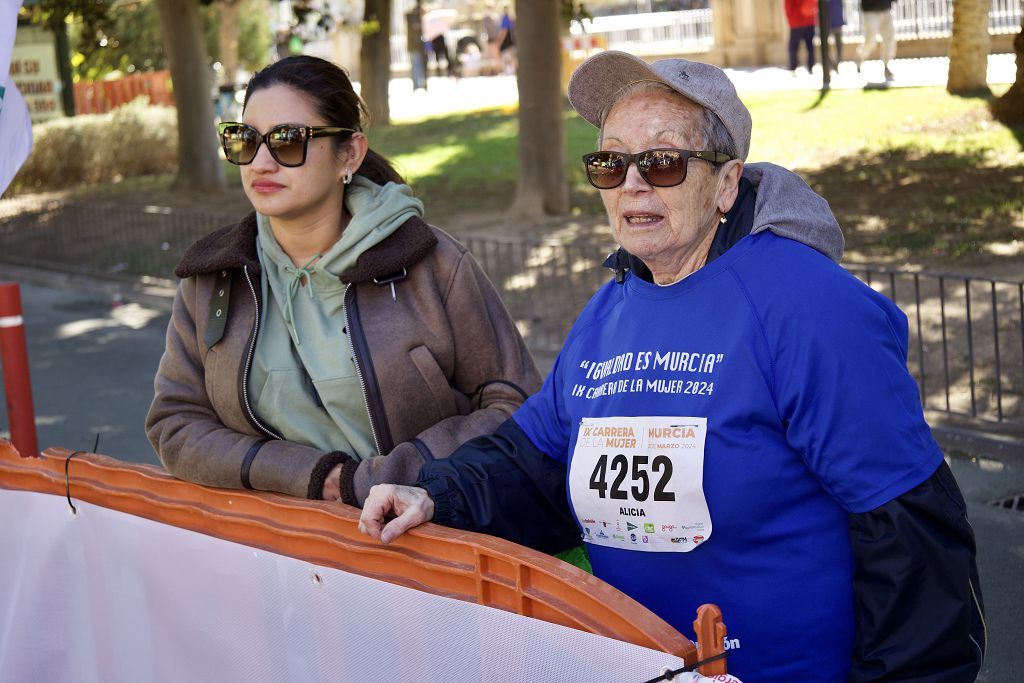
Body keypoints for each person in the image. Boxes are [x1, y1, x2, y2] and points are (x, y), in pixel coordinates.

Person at [359, 51, 986, 682]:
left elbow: (911, 535)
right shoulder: (610, 308)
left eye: (662, 162)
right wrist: (434, 494)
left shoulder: (808, 306)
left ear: (725, 182)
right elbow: (536, 464)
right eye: (611, 163)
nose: (632, 184)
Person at [146, 55, 539, 508]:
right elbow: (175, 423)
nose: (261, 162)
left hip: (426, 536)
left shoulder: (432, 263)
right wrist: (315, 477)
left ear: (349, 153)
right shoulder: (213, 279)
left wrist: (385, 479)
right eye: (245, 140)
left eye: (287, 140)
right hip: (276, 551)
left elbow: (515, 403)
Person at [858, 0, 897, 81]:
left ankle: (886, 66)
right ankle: (860, 58)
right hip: (870, 10)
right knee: (870, 41)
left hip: (886, 9)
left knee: (889, 40)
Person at [784, 0, 817, 74]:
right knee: (810, 46)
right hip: (809, 21)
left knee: (793, 47)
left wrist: (790, 21)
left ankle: (793, 65)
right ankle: (810, 65)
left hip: (797, 23)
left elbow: (788, 7)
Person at [406, 0, 427, 91]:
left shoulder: (415, 18)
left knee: (417, 65)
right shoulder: (412, 18)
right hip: (414, 47)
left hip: (417, 47)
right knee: (416, 65)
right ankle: (417, 84)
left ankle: (418, 83)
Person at [827, 0, 846, 69]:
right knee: (825, 44)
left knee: (838, 43)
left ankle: (838, 61)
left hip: (837, 19)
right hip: (827, 20)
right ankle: (830, 62)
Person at [498, 5, 516, 74]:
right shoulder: (511, 17)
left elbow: (504, 30)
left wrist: (500, 41)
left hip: (507, 38)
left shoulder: (505, 18)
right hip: (511, 37)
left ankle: (507, 70)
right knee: (511, 55)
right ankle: (512, 69)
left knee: (506, 55)